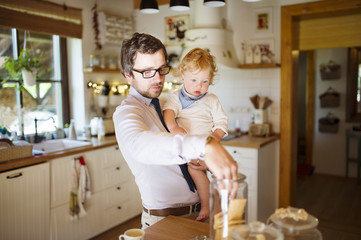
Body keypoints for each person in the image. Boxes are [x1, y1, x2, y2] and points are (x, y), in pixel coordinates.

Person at [113, 32, 237, 229]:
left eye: (161, 69)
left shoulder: (164, 103)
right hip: (164, 221)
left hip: (197, 213)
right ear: (128, 75)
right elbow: (140, 145)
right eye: (147, 71)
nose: (157, 78)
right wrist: (204, 146)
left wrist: (202, 159)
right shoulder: (127, 112)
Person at [163, 48, 228, 221]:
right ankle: (207, 206)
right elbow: (168, 113)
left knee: (220, 173)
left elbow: (222, 122)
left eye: (205, 81)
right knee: (195, 169)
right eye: (194, 80)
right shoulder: (175, 97)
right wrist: (173, 127)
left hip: (207, 146)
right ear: (182, 77)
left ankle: (218, 208)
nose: (199, 86)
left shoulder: (211, 100)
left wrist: (215, 138)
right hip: (188, 148)